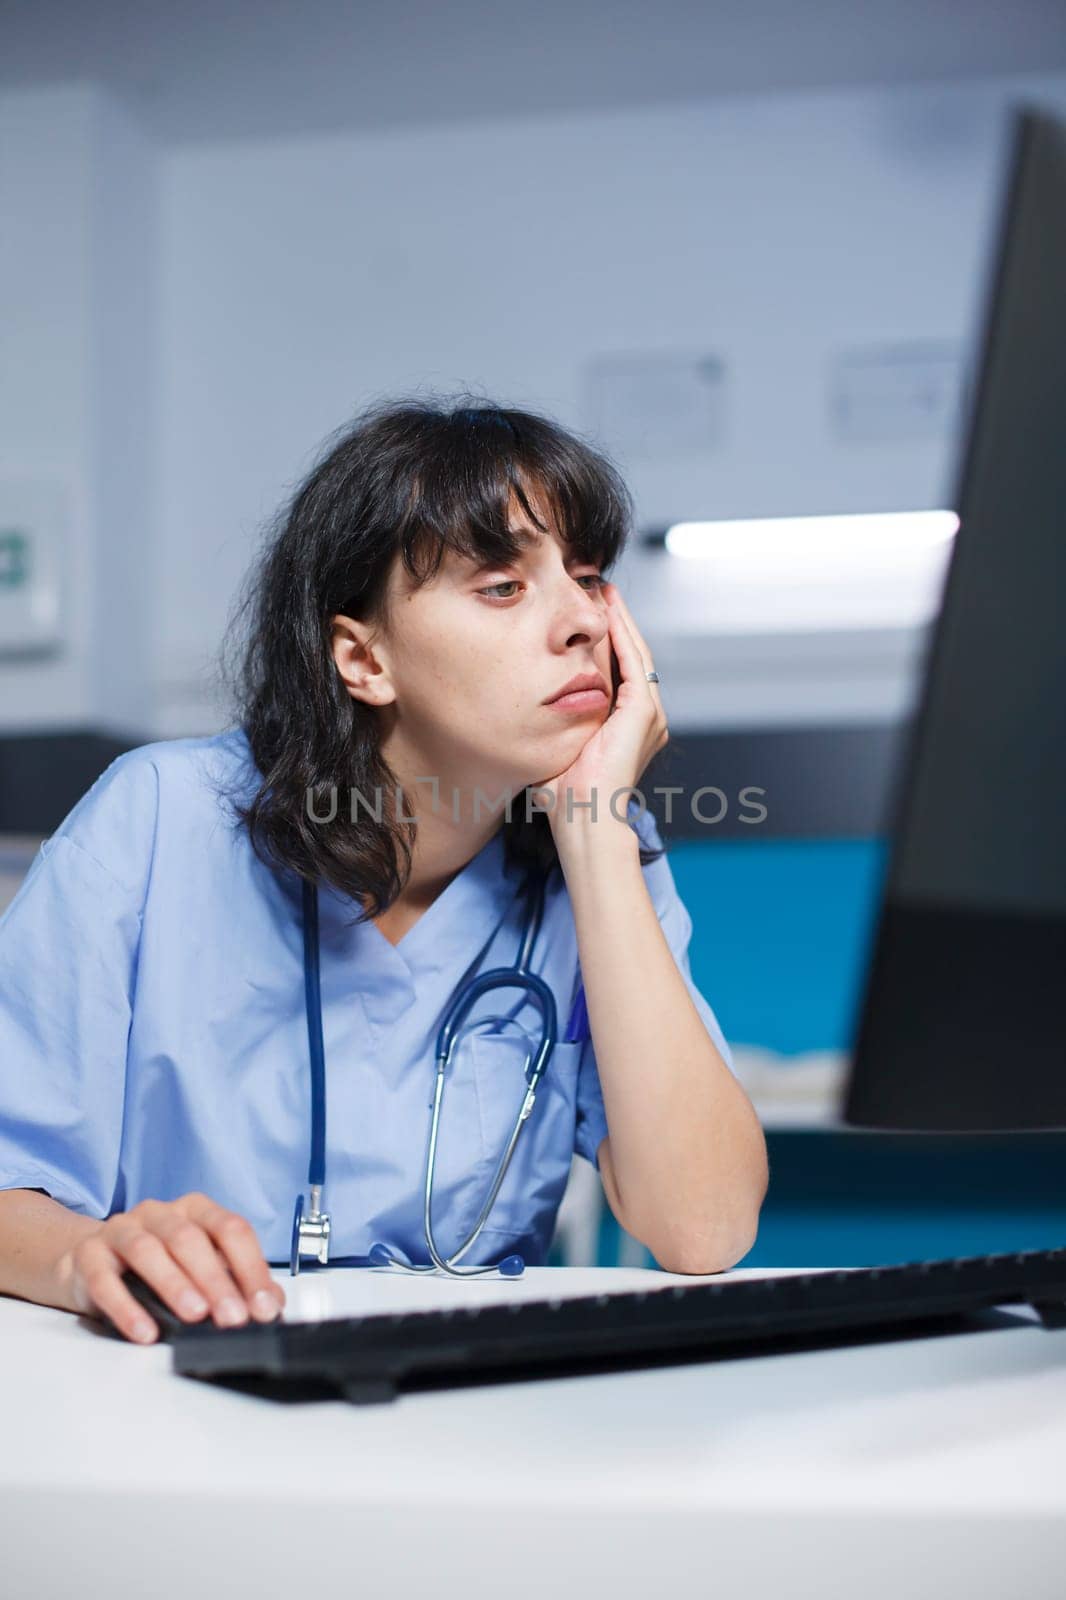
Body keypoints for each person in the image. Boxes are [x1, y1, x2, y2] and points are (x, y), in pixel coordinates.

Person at [0, 397, 767, 1344]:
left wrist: (596, 830)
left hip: (469, 1404)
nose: (582, 623)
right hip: (180, 1380)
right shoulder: (156, 821)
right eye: (501, 586)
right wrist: (85, 1256)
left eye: (588, 576)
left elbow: (704, 1229)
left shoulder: (603, 850)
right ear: (363, 658)